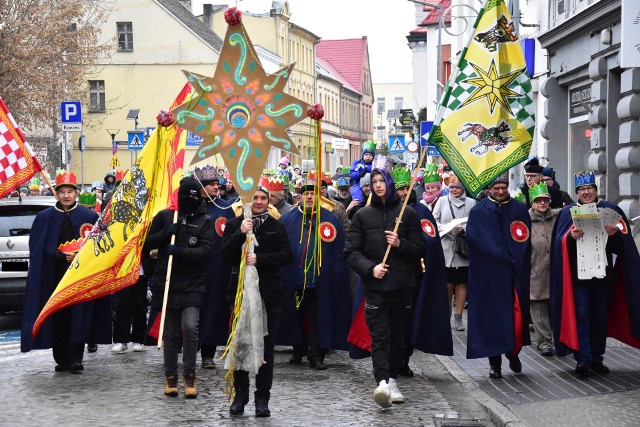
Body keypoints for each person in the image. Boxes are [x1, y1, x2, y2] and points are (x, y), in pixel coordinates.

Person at [344, 164, 426, 408]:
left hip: (402, 287)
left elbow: (420, 250)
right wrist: (371, 269)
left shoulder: (407, 214)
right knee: (379, 336)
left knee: (397, 336)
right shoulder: (362, 215)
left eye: (382, 181)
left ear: (389, 184)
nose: (378, 185)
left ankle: (392, 379)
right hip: (375, 288)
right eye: (374, 181)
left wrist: (400, 243)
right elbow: (351, 252)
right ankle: (381, 382)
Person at [550, 171, 640, 378]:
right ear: (577, 193)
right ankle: (583, 359)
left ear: (596, 190)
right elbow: (558, 244)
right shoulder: (567, 213)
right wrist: (570, 238)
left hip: (603, 275)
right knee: (582, 315)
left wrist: (615, 235)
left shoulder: (610, 210)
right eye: (582, 189)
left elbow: (624, 247)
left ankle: (597, 358)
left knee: (600, 317)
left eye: (589, 188)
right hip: (578, 277)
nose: (586, 192)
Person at [21, 171, 111, 372]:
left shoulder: (88, 216)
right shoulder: (45, 218)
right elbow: (38, 250)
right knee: (59, 319)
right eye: (62, 192)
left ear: (76, 193)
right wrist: (61, 256)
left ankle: (77, 358)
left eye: (70, 191)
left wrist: (81, 257)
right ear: (57, 194)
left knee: (79, 315)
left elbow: (99, 246)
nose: (66, 196)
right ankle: (61, 359)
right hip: (54, 277)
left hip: (80, 277)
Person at [221, 185, 293, 417]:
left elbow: (287, 256)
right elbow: (223, 255)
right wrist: (240, 233)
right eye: (255, 198)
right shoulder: (234, 224)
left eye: (264, 198)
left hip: (268, 296)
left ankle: (262, 398)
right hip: (240, 294)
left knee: (265, 349)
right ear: (247, 201)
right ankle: (241, 394)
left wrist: (260, 259)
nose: (260, 201)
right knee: (241, 345)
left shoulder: (276, 226)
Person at [144, 177, 215, 398]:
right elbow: (147, 242)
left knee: (190, 327)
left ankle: (190, 375)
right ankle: (171, 377)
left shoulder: (205, 221)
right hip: (167, 282)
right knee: (171, 333)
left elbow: (206, 251)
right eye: (186, 196)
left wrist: (181, 252)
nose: (190, 200)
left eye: (194, 196)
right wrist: (166, 234)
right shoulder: (166, 216)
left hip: (193, 283)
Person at [278, 177, 351, 370]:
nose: (310, 197)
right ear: (300, 197)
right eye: (306, 194)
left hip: (320, 280)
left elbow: (338, 251)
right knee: (295, 314)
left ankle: (315, 353)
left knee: (317, 316)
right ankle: (297, 348)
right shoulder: (287, 220)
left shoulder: (330, 219)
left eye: (313, 194)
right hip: (294, 278)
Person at [466, 172, 531, 379]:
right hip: (489, 277)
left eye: (503, 187)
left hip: (513, 275)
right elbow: (476, 243)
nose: (501, 191)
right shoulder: (479, 212)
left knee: (516, 318)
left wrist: (513, 259)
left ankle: (513, 352)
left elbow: (524, 239)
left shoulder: (519, 209)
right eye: (496, 188)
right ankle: (495, 362)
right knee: (492, 320)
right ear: (489, 189)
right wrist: (498, 256)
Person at [392, 166, 453, 376]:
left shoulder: (421, 211)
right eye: (399, 189)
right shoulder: (387, 210)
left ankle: (403, 359)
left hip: (413, 275)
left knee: (408, 320)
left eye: (406, 188)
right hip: (390, 275)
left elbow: (431, 241)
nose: (402, 193)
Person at [194, 165, 235, 370]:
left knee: (213, 311)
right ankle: (189, 350)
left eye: (217, 184)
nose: (216, 188)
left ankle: (208, 353)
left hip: (218, 269)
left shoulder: (225, 208)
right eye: (211, 184)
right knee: (192, 312)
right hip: (193, 269)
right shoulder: (189, 207)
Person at [432, 178, 476, 331]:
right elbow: (433, 220)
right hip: (446, 247)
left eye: (457, 188)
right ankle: (446, 315)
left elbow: (475, 223)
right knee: (447, 284)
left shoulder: (471, 203)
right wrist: (443, 228)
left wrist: (464, 229)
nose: (454, 190)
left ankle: (458, 317)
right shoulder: (442, 201)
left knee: (462, 283)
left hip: (463, 248)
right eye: (451, 188)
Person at [528, 182, 560, 357]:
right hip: (535, 270)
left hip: (556, 271)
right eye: (538, 200)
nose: (542, 203)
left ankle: (559, 340)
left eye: (545, 200)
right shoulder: (525, 220)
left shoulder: (557, 217)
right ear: (532, 203)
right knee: (539, 308)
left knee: (556, 307)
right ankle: (544, 342)